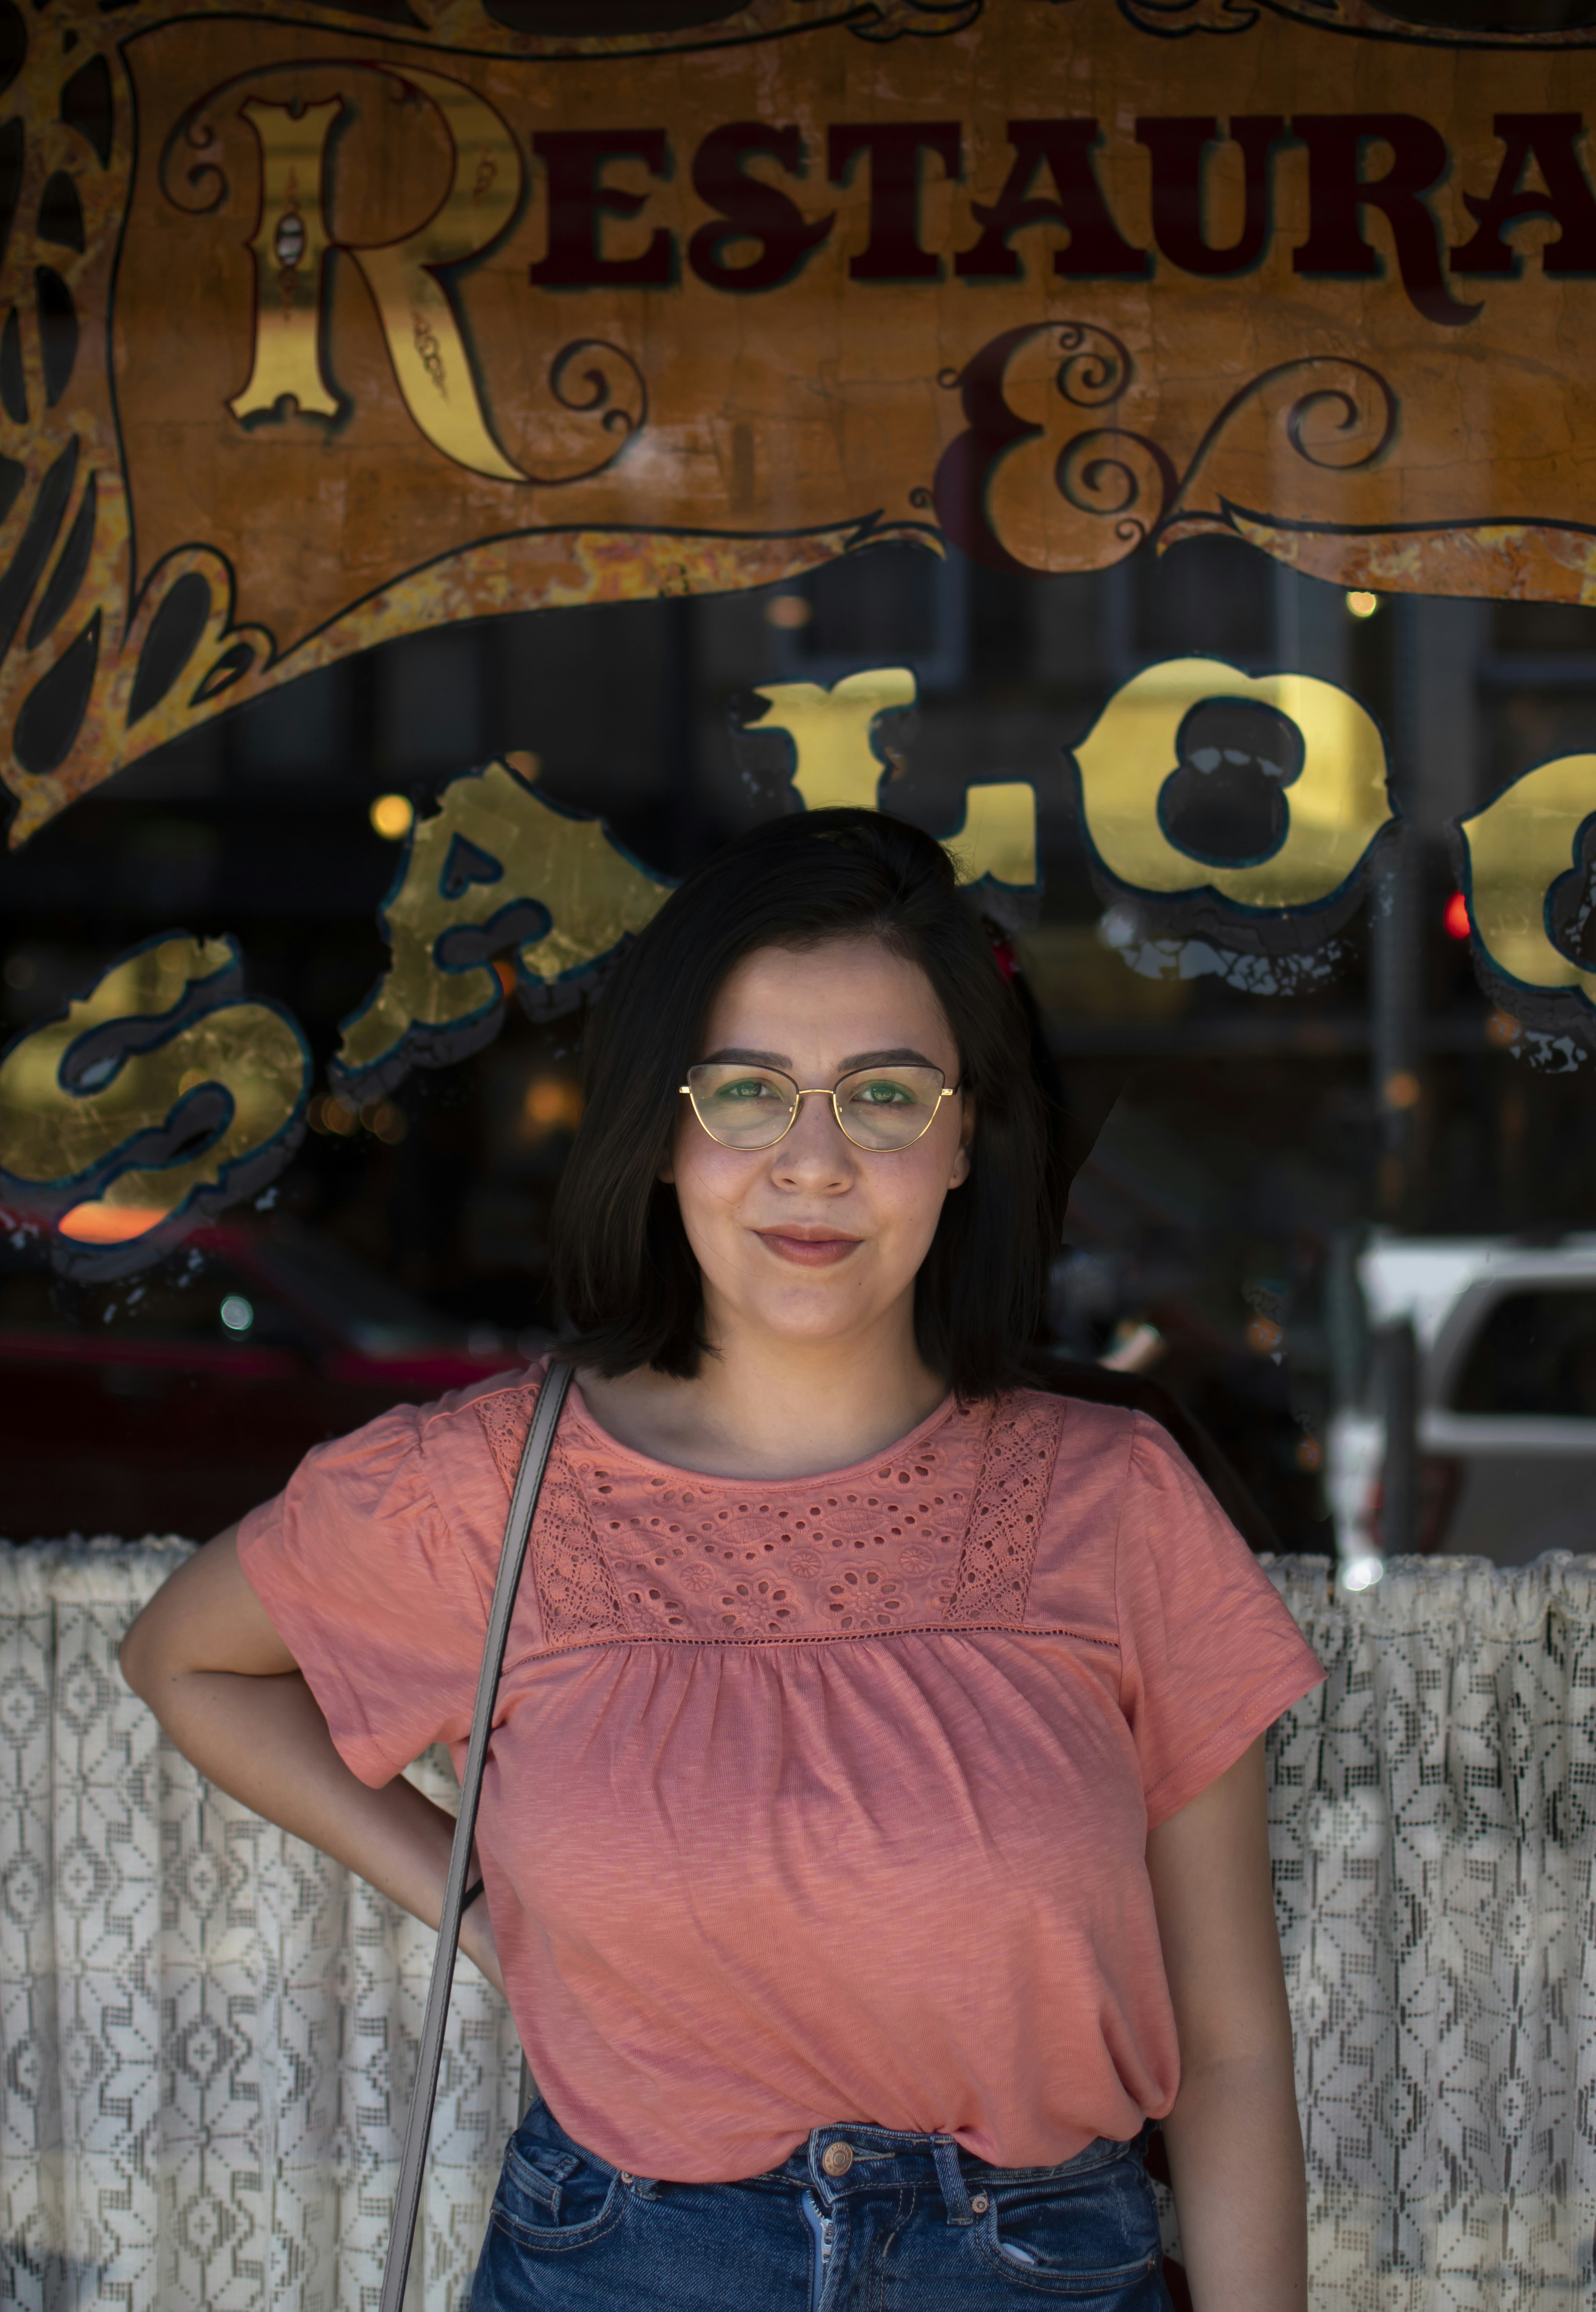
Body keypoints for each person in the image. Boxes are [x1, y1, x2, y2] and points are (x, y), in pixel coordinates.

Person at [121, 807, 1323, 2312]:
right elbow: (184, 1657)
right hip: (625, 2264)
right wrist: (475, 1903)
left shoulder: (1115, 1500)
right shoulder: (496, 1487)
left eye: (884, 1094)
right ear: (665, 1126)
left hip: (1032, 2275)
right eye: (748, 1091)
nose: (810, 1160)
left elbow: (1225, 2050)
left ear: (963, 1137)